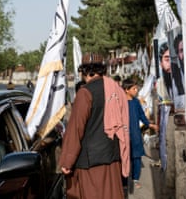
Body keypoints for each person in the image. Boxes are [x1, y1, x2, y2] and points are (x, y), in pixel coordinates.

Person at [59, 53, 130, 199]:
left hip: (91, 163)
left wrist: (67, 161)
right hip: (113, 156)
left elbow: (75, 129)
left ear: (84, 71)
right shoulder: (116, 89)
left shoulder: (85, 93)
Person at [122, 78, 158, 189]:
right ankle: (124, 182)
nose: (136, 90)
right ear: (126, 90)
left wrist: (150, 124)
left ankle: (135, 179)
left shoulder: (136, 102)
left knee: (137, 158)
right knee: (125, 158)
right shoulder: (120, 103)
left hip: (136, 134)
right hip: (124, 135)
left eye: (136, 88)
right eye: (134, 88)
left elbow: (142, 116)